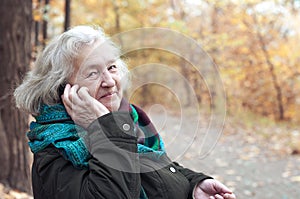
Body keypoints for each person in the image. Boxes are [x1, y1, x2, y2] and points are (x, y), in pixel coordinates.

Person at [14, 25, 236, 199]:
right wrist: (101, 127)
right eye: (92, 73)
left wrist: (194, 185)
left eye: (111, 67)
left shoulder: (129, 118)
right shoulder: (56, 151)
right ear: (63, 90)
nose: (110, 81)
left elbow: (153, 171)